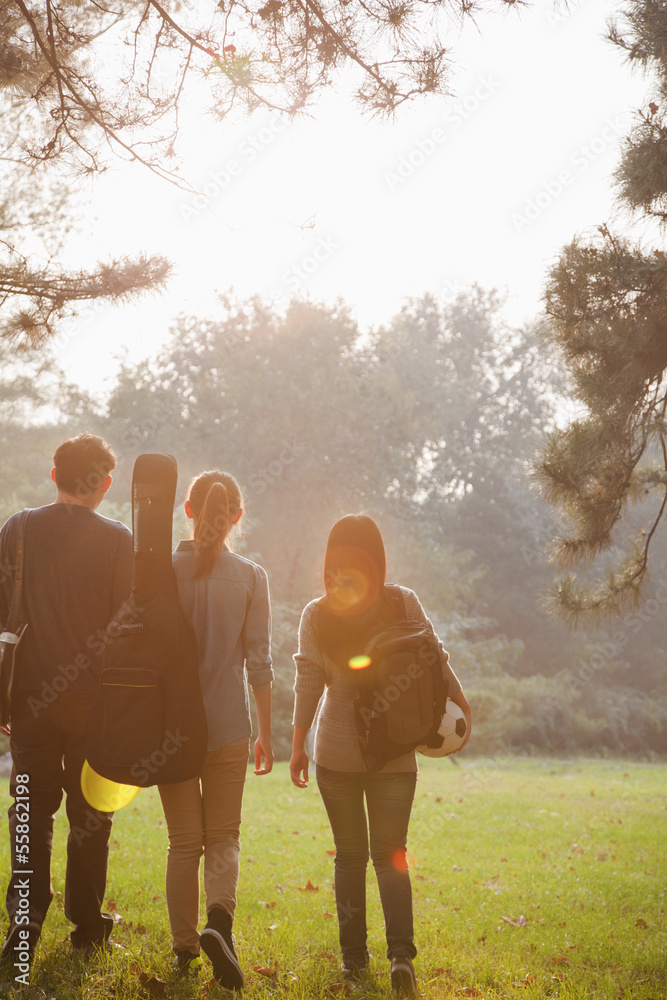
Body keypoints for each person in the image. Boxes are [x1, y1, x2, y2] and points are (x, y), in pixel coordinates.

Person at [290, 514, 471, 998]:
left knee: (349, 858)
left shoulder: (317, 613)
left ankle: (354, 962)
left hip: (337, 751)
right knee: (392, 856)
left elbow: (309, 679)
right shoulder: (402, 601)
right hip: (394, 752)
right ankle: (401, 958)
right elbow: (438, 657)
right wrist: (461, 704)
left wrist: (296, 744)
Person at [0, 433, 133, 976]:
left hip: (29, 696)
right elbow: (127, 626)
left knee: (30, 805)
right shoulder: (118, 540)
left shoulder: (18, 529)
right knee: (90, 811)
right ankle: (86, 924)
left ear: (54, 476)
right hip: (95, 701)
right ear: (103, 485)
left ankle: (24, 923)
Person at [158, 470, 274, 988]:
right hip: (229, 726)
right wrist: (266, 733)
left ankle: (185, 949)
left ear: (188, 510)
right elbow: (260, 665)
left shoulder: (159, 571)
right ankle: (218, 925)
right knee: (224, 835)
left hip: (171, 729)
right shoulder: (251, 577)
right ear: (236, 517)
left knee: (184, 843)